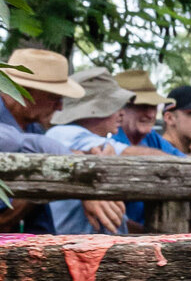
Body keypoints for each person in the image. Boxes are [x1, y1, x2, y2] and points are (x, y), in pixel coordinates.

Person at [0, 47, 125, 232]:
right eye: (53, 97)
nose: (59, 107)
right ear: (22, 91)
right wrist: (73, 180)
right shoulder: (23, 132)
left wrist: (82, 160)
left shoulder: (32, 124)